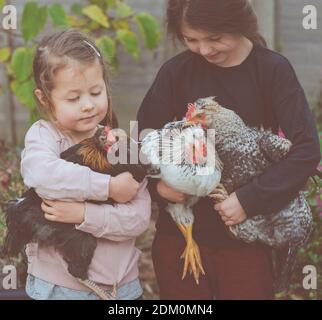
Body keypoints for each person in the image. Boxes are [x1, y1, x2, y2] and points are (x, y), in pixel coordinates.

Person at [137, 0, 320, 300]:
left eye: (214, 38)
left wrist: (249, 199)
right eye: (191, 40)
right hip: (182, 238)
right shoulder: (176, 72)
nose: (204, 50)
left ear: (238, 23)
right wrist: (160, 188)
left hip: (246, 242)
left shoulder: (272, 70)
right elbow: (140, 141)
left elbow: (306, 151)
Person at [20, 29, 151, 300]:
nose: (88, 105)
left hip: (123, 288)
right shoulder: (45, 136)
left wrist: (83, 215)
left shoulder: (120, 144)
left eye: (95, 92)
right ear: (44, 99)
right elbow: (41, 173)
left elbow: (138, 219)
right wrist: (109, 188)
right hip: (61, 289)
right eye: (74, 98)